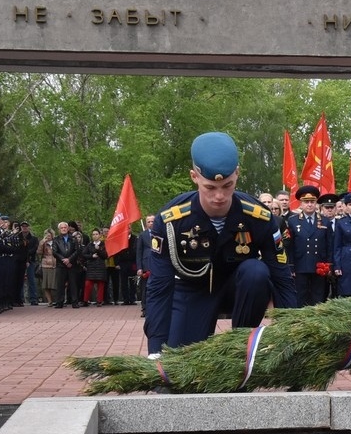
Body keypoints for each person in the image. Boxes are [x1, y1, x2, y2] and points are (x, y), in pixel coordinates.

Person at [144, 131, 296, 355]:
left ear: (237, 174)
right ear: (194, 177)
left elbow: (282, 278)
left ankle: (241, 348)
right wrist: (155, 349)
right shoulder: (171, 221)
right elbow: (159, 287)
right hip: (194, 289)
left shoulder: (259, 217)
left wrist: (292, 337)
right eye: (210, 188)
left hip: (241, 289)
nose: (220, 196)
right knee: (177, 375)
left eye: (227, 186)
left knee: (257, 271)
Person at [286, 185, 332, 306]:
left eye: (312, 201)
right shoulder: (293, 221)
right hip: (300, 265)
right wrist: (291, 266)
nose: (310, 204)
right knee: (300, 296)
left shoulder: (325, 221)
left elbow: (330, 245)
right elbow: (289, 246)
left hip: (319, 266)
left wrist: (329, 265)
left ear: (316, 203)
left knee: (318, 297)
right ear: (301, 203)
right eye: (306, 202)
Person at [52, 221, 82, 308]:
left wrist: (69, 260)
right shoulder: (56, 239)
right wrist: (64, 260)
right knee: (60, 284)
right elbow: (55, 252)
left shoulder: (73, 239)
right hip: (61, 265)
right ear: (59, 229)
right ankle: (59, 302)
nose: (63, 229)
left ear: (68, 228)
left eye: (65, 227)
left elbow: (77, 251)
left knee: (73, 284)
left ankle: (74, 302)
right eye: (62, 228)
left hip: (72, 265)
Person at [81, 228, 109, 306]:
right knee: (88, 284)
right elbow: (84, 254)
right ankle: (85, 300)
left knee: (100, 285)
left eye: (96, 234)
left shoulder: (103, 244)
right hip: (91, 267)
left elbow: (105, 255)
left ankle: (99, 301)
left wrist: (99, 250)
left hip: (100, 267)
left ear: (100, 235)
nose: (95, 236)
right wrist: (91, 256)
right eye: (93, 234)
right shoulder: (89, 245)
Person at [136, 215, 154, 317]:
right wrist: (139, 267)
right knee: (145, 289)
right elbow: (139, 252)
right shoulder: (142, 235)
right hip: (146, 266)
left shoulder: (161, 233)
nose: (151, 223)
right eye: (149, 222)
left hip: (158, 265)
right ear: (146, 223)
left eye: (152, 221)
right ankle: (145, 309)